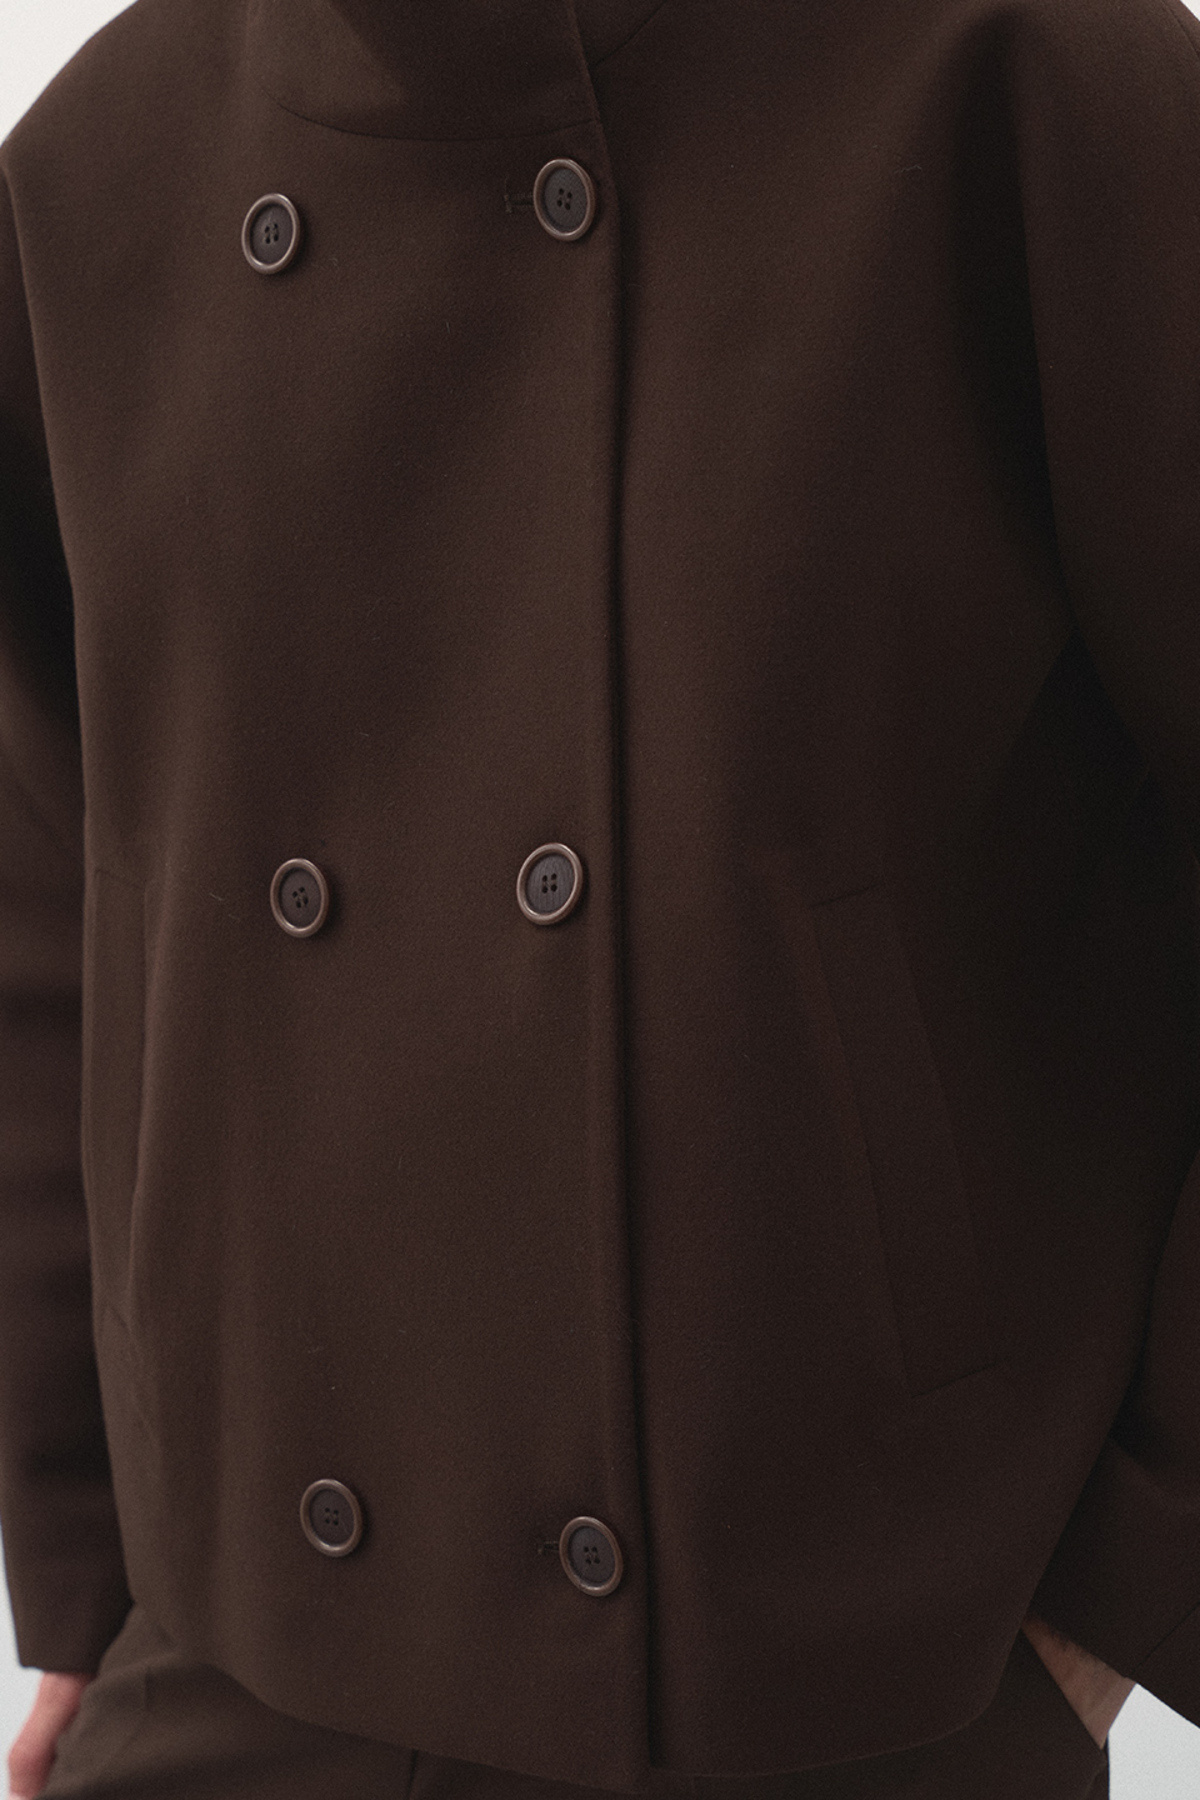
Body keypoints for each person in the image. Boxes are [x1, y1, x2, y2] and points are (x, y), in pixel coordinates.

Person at [2, 0, 1199, 1793]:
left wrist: (1137, 1579)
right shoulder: (103, 164)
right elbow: (52, 886)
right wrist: (86, 1570)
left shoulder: (1018, 78)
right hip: (233, 1679)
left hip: (842, 1696)